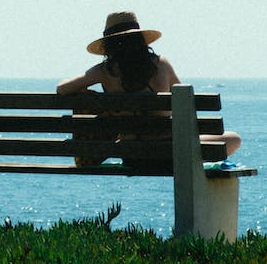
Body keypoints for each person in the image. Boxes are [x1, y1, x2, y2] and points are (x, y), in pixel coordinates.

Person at [57, 11, 241, 163]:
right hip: (171, 154)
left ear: (108, 44)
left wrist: (96, 99)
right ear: (140, 39)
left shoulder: (104, 72)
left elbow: (62, 89)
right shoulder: (162, 65)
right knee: (233, 139)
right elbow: (185, 107)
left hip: (132, 156)